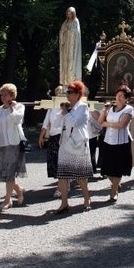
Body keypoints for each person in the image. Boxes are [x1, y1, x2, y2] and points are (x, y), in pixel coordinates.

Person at [53, 81, 92, 214]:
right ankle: (64, 203)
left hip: (78, 144)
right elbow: (57, 124)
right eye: (67, 92)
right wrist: (61, 112)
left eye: (69, 92)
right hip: (64, 144)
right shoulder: (67, 108)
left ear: (77, 94)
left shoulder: (83, 107)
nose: (67, 95)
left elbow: (76, 122)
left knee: (80, 176)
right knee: (62, 175)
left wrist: (67, 112)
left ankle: (87, 198)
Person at [0, 83, 26, 210]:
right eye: (2, 95)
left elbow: (17, 120)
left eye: (6, 95)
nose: (3, 97)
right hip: (2, 144)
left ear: (12, 95)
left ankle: (7, 200)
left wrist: (12, 108)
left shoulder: (19, 107)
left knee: (10, 173)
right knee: (5, 173)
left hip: (13, 143)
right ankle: (19, 190)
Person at [98, 85, 134, 202]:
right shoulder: (110, 109)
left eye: (122, 96)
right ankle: (115, 183)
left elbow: (122, 125)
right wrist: (104, 110)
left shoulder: (128, 109)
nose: (119, 98)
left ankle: (114, 191)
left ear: (126, 99)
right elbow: (100, 122)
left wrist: (107, 124)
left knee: (117, 168)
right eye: (118, 95)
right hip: (108, 141)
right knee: (106, 168)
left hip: (121, 142)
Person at [38, 99, 64, 197]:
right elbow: (46, 123)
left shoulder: (67, 106)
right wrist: (41, 136)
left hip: (63, 137)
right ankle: (64, 183)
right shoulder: (52, 107)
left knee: (61, 162)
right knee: (54, 162)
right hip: (53, 137)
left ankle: (60, 188)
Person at [59, 6, 82, 85]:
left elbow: (77, 33)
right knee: (65, 63)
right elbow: (61, 32)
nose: (69, 15)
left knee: (71, 64)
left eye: (71, 14)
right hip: (66, 46)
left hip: (73, 47)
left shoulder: (76, 21)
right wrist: (63, 32)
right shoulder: (65, 22)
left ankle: (72, 82)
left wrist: (69, 31)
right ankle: (65, 82)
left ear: (73, 14)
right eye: (68, 14)